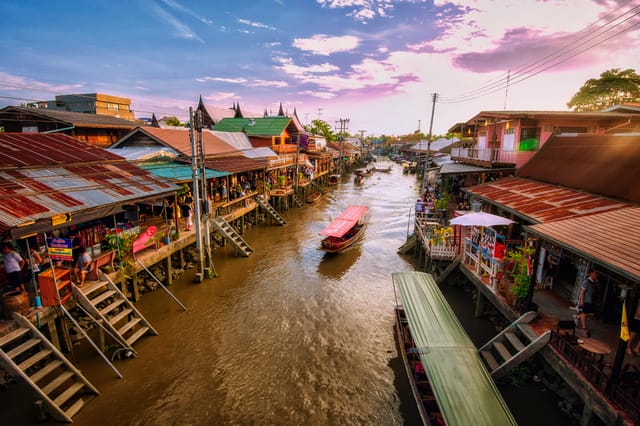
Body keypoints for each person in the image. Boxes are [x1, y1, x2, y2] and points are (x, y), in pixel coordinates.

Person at [575, 269, 599, 336]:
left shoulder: (594, 282)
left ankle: (578, 317)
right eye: (595, 273)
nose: (596, 275)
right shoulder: (586, 282)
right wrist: (582, 301)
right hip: (586, 300)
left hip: (592, 301)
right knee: (584, 313)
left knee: (591, 314)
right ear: (591, 273)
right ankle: (584, 327)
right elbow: (582, 292)